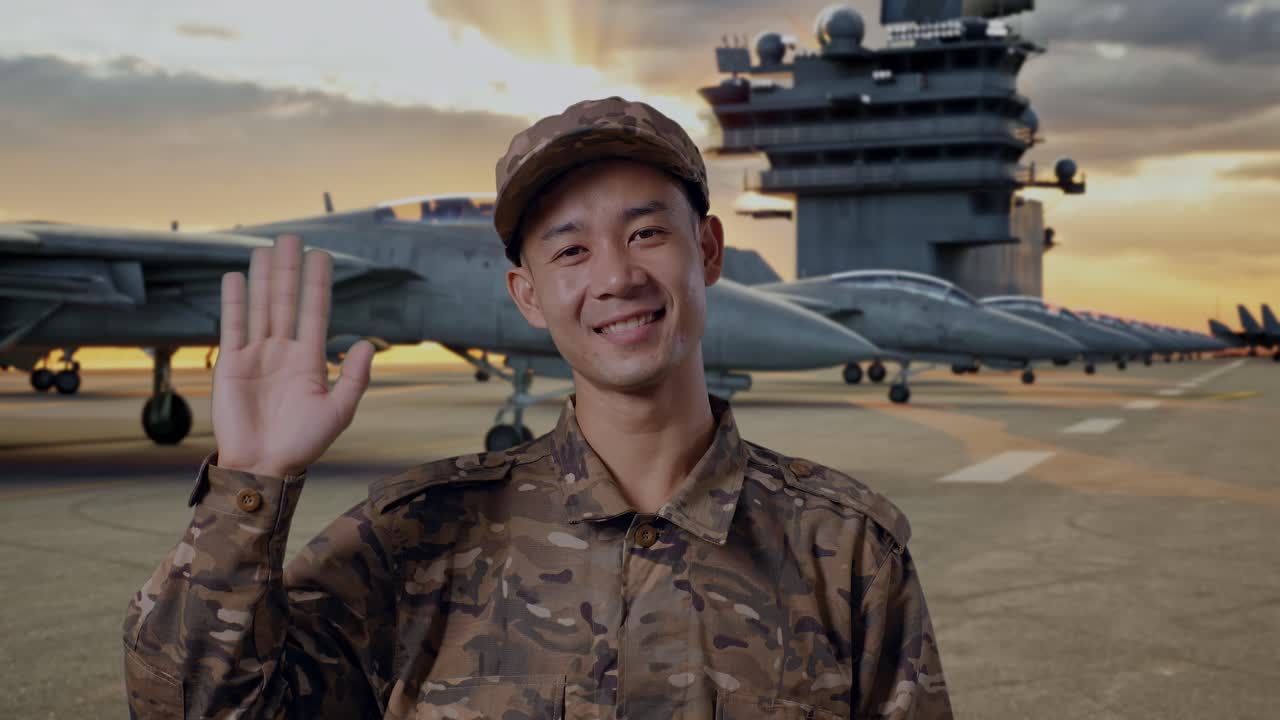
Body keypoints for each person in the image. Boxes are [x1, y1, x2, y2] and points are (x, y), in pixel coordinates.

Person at [123, 97, 953, 719]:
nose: (616, 276)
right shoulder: (415, 541)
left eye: (646, 233)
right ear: (527, 292)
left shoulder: (846, 551)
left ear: (706, 251)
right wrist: (250, 486)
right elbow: (196, 707)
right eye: (570, 249)